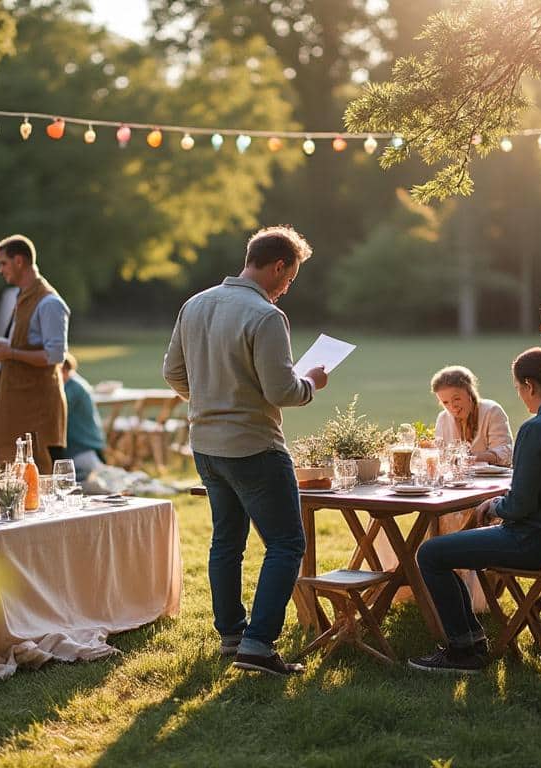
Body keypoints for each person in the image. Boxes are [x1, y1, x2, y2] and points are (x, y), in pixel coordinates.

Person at [163, 225, 329, 677]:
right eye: (289, 278)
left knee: (227, 541)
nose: (287, 287)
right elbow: (281, 390)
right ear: (278, 266)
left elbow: (173, 373)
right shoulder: (265, 315)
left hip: (206, 446)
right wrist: (312, 382)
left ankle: (232, 635)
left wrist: (209, 398)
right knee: (286, 543)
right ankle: (257, 645)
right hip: (254, 446)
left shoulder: (195, 304)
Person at [409, 348, 541, 674]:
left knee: (430, 554)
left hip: (538, 542)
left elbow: (520, 506)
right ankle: (469, 639)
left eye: (518, 388)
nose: (520, 396)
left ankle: (464, 648)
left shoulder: (536, 429)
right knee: (445, 550)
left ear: (528, 385)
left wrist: (494, 505)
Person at [0, 235, 70, 473]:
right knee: (7, 471)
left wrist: (10, 353)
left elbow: (55, 356)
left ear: (19, 261)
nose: (0, 270)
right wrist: (1, 354)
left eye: (3, 263)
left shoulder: (49, 303)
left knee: (36, 474)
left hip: (37, 408)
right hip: (15, 404)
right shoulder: (22, 296)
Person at [431, 365, 513, 466]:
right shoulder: (443, 419)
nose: (452, 406)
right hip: (457, 480)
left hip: (491, 479)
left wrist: (469, 457)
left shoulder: (492, 411)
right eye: (445, 402)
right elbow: (440, 457)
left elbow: (505, 455)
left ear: (470, 393)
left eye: (456, 399)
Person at [61, 352, 107, 482]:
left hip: (83, 448)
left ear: (64, 370)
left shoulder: (73, 387)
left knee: (98, 481)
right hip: (85, 446)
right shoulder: (75, 383)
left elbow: (57, 412)